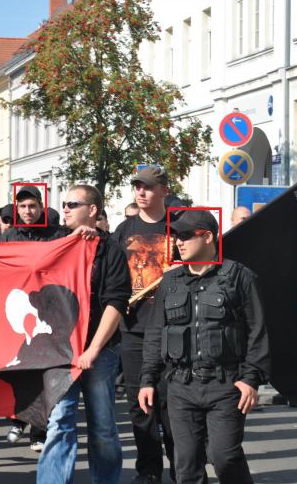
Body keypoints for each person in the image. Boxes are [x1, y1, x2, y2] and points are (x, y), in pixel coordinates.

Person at [139, 209, 270, 484]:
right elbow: (154, 333)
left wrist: (251, 379)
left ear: (208, 236)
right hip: (180, 387)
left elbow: (257, 331)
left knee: (225, 457)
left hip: (225, 385)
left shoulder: (238, 276)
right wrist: (147, 380)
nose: (179, 242)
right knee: (186, 467)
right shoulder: (170, 282)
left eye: (186, 235)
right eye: (176, 236)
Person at [38, 185, 131, 484]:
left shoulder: (112, 250)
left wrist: (93, 349)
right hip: (61, 351)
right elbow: (30, 268)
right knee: (59, 423)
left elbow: (116, 303)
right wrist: (70, 242)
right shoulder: (56, 242)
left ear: (92, 211)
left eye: (72, 204)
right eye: (63, 203)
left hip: (99, 352)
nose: (64, 208)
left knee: (102, 427)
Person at [111, 165, 176, 484]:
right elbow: (109, 271)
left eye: (148, 186)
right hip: (133, 330)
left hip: (174, 329)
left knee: (172, 404)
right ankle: (149, 470)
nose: (141, 191)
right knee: (140, 404)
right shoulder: (123, 231)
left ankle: (183, 467)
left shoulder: (179, 228)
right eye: (137, 185)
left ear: (164, 190)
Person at [0, 185, 66, 451]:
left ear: (40, 207)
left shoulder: (56, 235)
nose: (28, 211)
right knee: (18, 371)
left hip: (47, 312)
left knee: (43, 374)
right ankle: (18, 418)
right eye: (23, 207)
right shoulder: (8, 237)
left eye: (32, 206)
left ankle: (39, 430)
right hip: (16, 310)